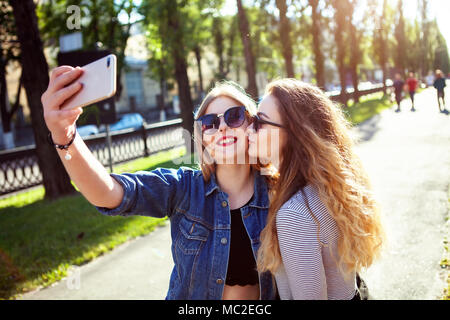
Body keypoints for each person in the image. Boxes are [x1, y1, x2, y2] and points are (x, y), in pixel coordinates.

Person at [41, 66, 277, 300]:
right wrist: (64, 135)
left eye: (234, 116)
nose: (222, 127)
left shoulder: (278, 193)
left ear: (252, 125)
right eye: (209, 122)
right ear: (203, 137)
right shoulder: (184, 188)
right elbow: (108, 193)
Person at [246, 78, 384, 300]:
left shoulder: (295, 214)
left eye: (259, 122)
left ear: (294, 134)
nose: (248, 129)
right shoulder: (325, 188)